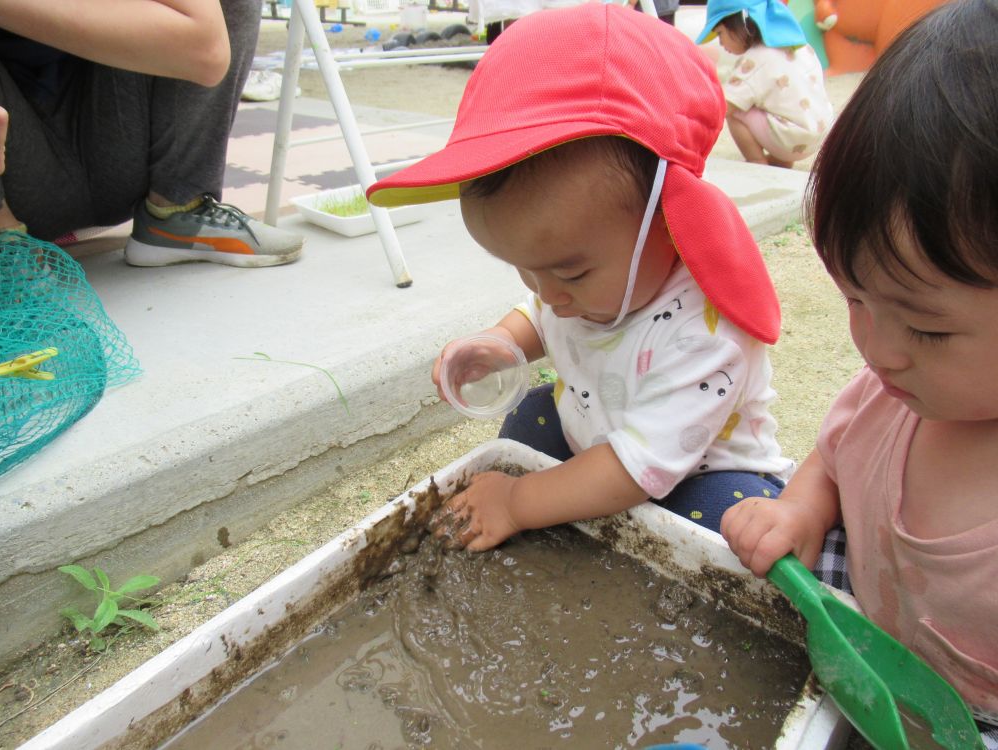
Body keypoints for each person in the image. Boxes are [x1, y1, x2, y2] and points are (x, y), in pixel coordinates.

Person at [367, 3, 794, 552]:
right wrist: (500, 342)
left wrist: (518, 502)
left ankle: (552, 513)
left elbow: (638, 470)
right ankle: (563, 515)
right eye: (526, 269)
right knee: (532, 416)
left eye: (569, 271)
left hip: (697, 474)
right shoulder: (576, 282)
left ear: (668, 219)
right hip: (601, 440)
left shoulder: (708, 333)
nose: (548, 294)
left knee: (728, 525)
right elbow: (540, 315)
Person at [719, 0, 998, 742]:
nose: (877, 348)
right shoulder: (889, 397)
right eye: (854, 296)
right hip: (864, 665)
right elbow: (837, 458)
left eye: (929, 327)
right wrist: (802, 509)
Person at [0, 0, 303, 267]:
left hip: (116, 151)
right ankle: (7, 246)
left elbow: (205, 49)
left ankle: (175, 212)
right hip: (12, 182)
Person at [695, 0, 833, 168]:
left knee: (736, 111)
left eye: (720, 33)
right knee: (781, 104)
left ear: (740, 25)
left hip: (791, 139)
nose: (721, 43)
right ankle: (783, 163)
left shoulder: (755, 59)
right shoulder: (798, 45)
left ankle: (757, 163)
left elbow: (725, 106)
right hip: (820, 133)